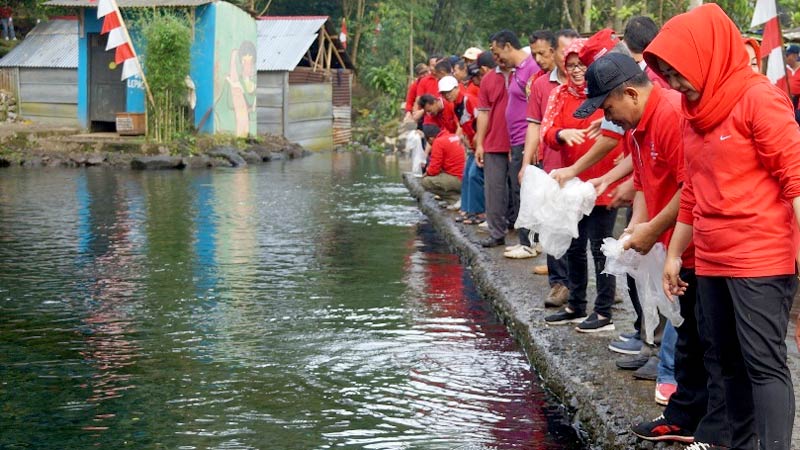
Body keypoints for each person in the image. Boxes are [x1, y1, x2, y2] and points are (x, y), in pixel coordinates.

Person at [645, 4, 800, 449]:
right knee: (723, 361)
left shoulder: (758, 97)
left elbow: (795, 178)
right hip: (711, 258)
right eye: (667, 77)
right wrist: (675, 254)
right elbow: (691, 189)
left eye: (678, 74)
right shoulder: (693, 113)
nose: (675, 86)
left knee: (763, 363)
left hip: (759, 256)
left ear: (705, 57)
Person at [575, 52, 731, 446]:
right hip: (673, 244)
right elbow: (645, 183)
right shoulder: (638, 125)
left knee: (707, 339)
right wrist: (635, 229)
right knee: (686, 334)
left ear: (630, 93)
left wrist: (655, 233)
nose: (609, 118)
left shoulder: (670, 116)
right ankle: (682, 416)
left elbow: (690, 187)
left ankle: (713, 427)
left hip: (699, 244)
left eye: (609, 108)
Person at [540, 39, 622, 333]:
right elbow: (546, 131)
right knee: (573, 245)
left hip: (603, 182)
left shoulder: (604, 93)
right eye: (571, 65)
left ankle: (603, 312)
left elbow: (619, 131)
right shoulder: (560, 95)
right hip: (572, 183)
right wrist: (562, 134)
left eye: (581, 65)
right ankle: (576, 304)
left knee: (601, 247)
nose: (576, 71)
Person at [522, 28, 579, 306]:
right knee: (554, 224)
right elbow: (533, 126)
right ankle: (559, 285)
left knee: (588, 230)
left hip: (585, 165)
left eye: (541, 52)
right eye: (535, 54)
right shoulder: (542, 86)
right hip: (553, 164)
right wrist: (526, 163)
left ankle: (600, 285)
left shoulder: (590, 81)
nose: (539, 58)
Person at [490, 29, 542, 259]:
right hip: (517, 140)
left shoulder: (531, 67)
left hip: (526, 139)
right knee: (519, 190)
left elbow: (537, 105)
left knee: (525, 192)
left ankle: (528, 242)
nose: (496, 57)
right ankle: (528, 240)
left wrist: (535, 143)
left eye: (497, 51)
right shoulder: (517, 71)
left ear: (508, 46)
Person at [475, 50, 512, 248]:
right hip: (494, 140)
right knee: (494, 190)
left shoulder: (523, 74)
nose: (498, 59)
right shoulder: (488, 79)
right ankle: (497, 233)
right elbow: (483, 113)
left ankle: (526, 236)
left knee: (519, 189)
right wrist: (480, 143)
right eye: (495, 55)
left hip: (518, 140)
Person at [440, 75, 484, 225]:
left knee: (474, 175)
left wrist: (479, 137)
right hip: (471, 144)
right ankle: (467, 209)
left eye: (449, 91)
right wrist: (465, 136)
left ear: (457, 88)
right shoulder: (455, 105)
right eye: (444, 93)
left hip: (480, 143)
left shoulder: (468, 99)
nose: (447, 95)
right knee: (466, 176)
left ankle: (479, 212)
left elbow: (481, 118)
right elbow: (463, 123)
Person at [421, 124, 466, 203]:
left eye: (428, 142)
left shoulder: (438, 142)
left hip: (459, 179)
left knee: (426, 182)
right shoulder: (453, 136)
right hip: (466, 177)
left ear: (431, 138)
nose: (430, 145)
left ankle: (455, 199)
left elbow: (433, 170)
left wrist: (427, 172)